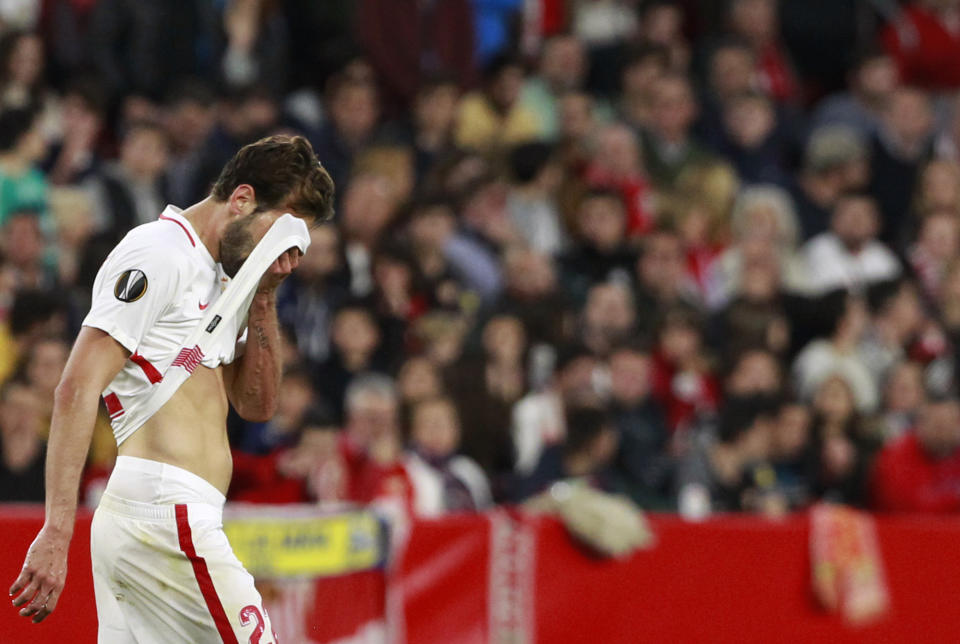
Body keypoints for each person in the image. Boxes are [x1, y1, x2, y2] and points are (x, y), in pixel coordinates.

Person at [9, 134, 335, 642]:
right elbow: (76, 386)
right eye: (283, 239)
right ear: (243, 199)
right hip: (163, 516)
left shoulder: (226, 277)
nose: (291, 260)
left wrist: (264, 294)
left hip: (169, 519)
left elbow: (256, 406)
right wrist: (56, 529)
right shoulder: (159, 254)